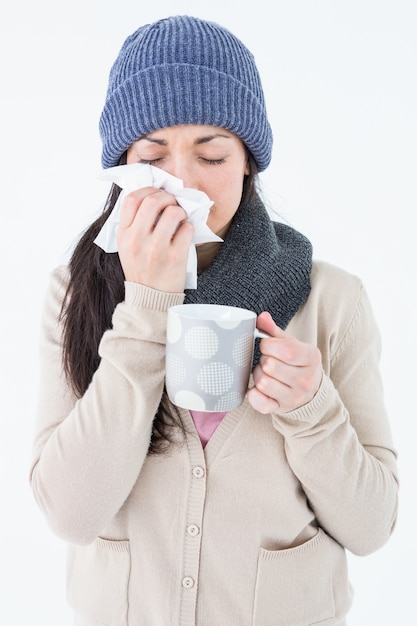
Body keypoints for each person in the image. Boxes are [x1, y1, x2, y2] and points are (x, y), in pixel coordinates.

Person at [30, 15, 399, 626]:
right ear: (122, 165)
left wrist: (312, 411)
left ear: (249, 161)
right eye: (153, 154)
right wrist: (148, 304)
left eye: (212, 153)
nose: (182, 179)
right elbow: (70, 514)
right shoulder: (75, 293)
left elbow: (372, 526)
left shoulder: (333, 299)